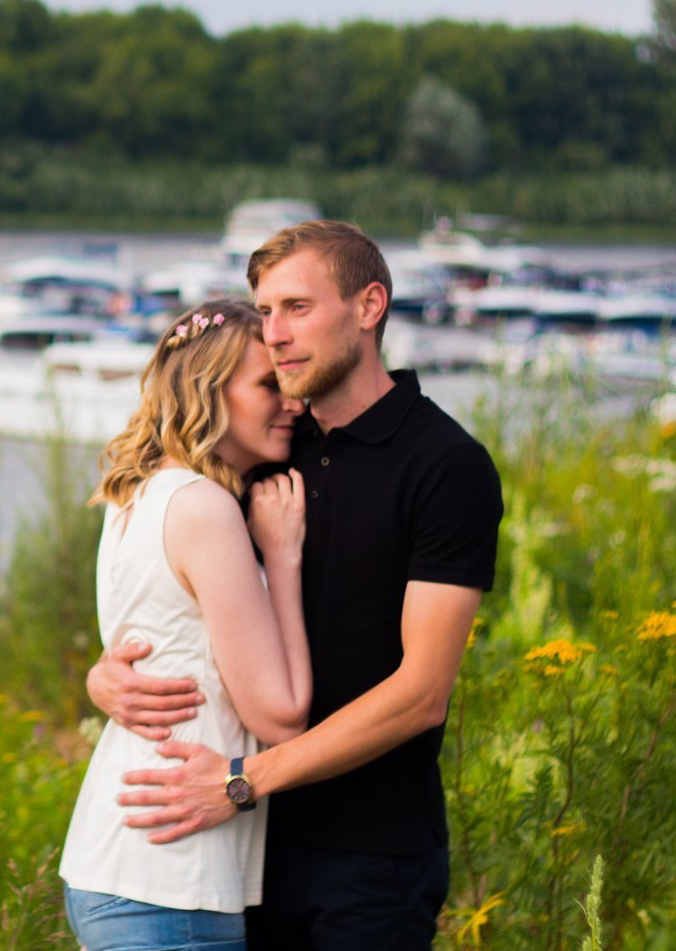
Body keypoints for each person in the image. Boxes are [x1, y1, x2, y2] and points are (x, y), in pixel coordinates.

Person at [89, 220, 504, 950]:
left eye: (297, 307)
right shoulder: (268, 446)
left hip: (369, 854)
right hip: (243, 855)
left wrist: (245, 778)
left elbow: (423, 691)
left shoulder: (446, 465)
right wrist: (106, 677)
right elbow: (180, 594)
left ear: (368, 305)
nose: (275, 332)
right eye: (267, 309)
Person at [59, 297, 313, 950]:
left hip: (120, 857)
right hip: (170, 877)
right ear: (208, 389)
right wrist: (282, 557)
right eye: (268, 383)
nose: (292, 401)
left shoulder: (133, 493)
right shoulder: (203, 507)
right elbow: (281, 716)